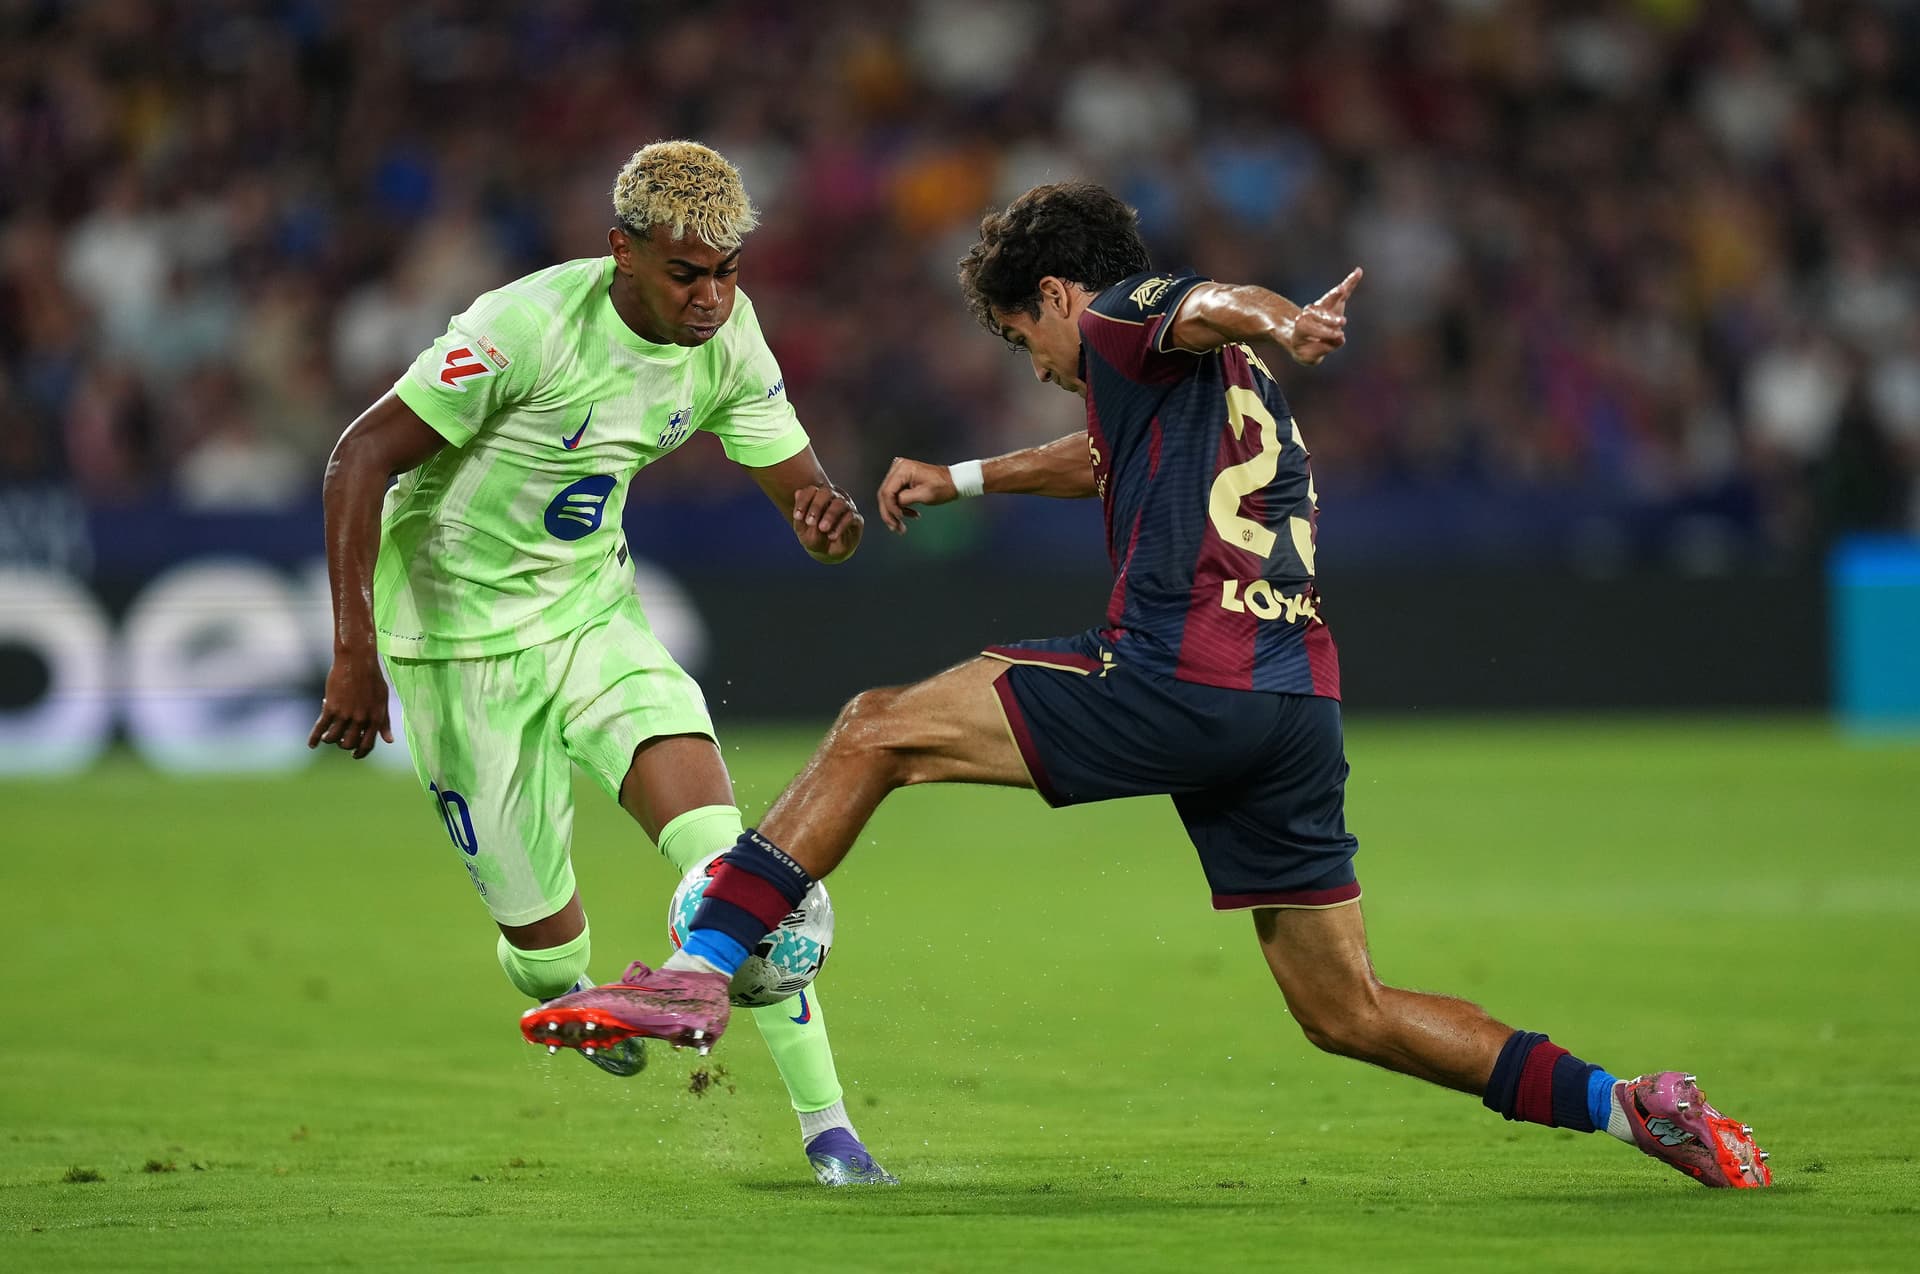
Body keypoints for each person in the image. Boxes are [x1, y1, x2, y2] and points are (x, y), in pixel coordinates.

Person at [523, 181, 1772, 1189]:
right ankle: (1631, 1106)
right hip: (1293, 707)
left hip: (1178, 670)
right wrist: (964, 478)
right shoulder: (1207, 390)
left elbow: (1206, 302)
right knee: (1348, 1008)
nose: (1044, 364)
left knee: (875, 729)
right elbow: (1098, 453)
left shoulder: (1129, 314)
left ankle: (698, 967)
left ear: (1063, 293)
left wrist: (1279, 312)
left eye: (1029, 338)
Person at [308, 140, 895, 1186]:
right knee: (541, 945)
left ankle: (832, 1131)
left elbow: (800, 489)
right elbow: (360, 457)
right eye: (686, 274)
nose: (712, 298)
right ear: (620, 250)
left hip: (593, 622)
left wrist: (825, 522)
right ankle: (564, 991)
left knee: (735, 865)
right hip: (454, 648)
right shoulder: (520, 329)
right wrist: (355, 653)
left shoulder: (728, 334)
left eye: (727, 273)